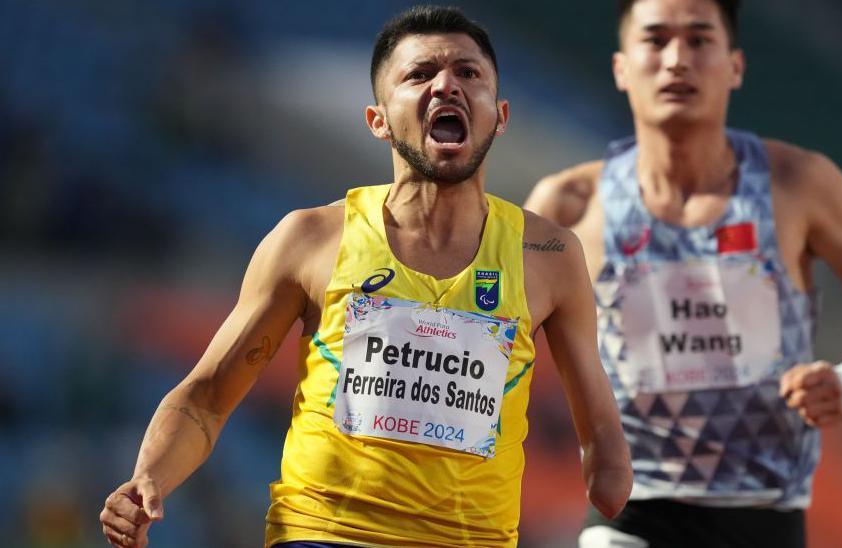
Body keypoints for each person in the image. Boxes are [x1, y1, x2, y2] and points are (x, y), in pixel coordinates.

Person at [98, 6, 632, 548]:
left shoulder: (546, 255)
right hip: (322, 535)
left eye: (468, 73)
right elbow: (206, 397)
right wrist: (149, 477)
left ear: (499, 116)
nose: (446, 84)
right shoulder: (309, 240)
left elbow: (601, 427)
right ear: (377, 119)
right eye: (420, 74)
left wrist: (623, 487)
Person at [525, 0, 842, 546]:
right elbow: (495, 344)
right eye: (655, 40)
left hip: (766, 519)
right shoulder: (569, 206)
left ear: (736, 66)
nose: (676, 59)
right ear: (622, 67)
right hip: (629, 514)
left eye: (699, 40)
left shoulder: (800, 185)